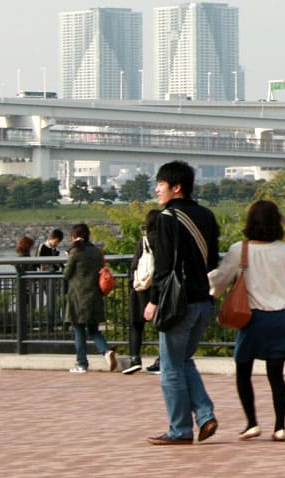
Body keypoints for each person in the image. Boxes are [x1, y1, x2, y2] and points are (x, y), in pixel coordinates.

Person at [209, 199, 285, 443]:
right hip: (280, 319)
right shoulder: (283, 250)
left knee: (243, 370)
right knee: (276, 376)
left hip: (252, 319)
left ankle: (251, 423)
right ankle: (280, 427)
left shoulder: (240, 249)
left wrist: (205, 289)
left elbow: (220, 279)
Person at [144, 160, 220, 446]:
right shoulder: (207, 215)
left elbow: (162, 268)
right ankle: (204, 416)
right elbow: (212, 261)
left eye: (160, 185)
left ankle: (179, 430)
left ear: (176, 188)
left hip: (178, 303)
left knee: (171, 366)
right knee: (183, 360)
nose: (157, 190)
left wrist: (153, 301)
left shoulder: (165, 218)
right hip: (203, 300)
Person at [63, 222, 117, 374]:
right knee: (93, 329)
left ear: (74, 237)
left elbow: (66, 274)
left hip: (78, 296)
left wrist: (68, 257)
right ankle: (106, 351)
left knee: (79, 329)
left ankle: (82, 363)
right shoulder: (96, 251)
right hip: (94, 294)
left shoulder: (75, 252)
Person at [124, 208, 161, 375]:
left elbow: (134, 265)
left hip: (141, 288)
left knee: (136, 325)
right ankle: (161, 359)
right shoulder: (165, 241)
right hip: (159, 287)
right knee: (162, 327)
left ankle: (135, 358)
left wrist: (133, 283)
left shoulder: (144, 241)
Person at [36, 228, 65, 329]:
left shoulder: (56, 250)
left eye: (58, 242)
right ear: (51, 238)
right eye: (56, 241)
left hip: (53, 276)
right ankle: (49, 322)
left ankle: (52, 322)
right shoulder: (42, 247)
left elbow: (58, 264)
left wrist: (58, 266)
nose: (57, 244)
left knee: (52, 299)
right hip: (43, 276)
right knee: (50, 298)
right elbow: (36, 262)